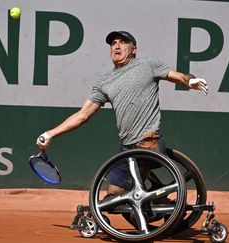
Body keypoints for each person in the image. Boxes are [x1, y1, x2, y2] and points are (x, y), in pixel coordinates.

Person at [37, 31, 208, 195]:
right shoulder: (104, 82)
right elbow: (82, 115)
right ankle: (157, 205)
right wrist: (50, 133)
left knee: (131, 193)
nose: (117, 46)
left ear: (134, 49)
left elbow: (179, 77)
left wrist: (190, 81)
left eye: (123, 42)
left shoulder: (148, 65)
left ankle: (148, 209)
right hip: (126, 148)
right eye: (113, 43)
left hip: (148, 143)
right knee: (114, 193)